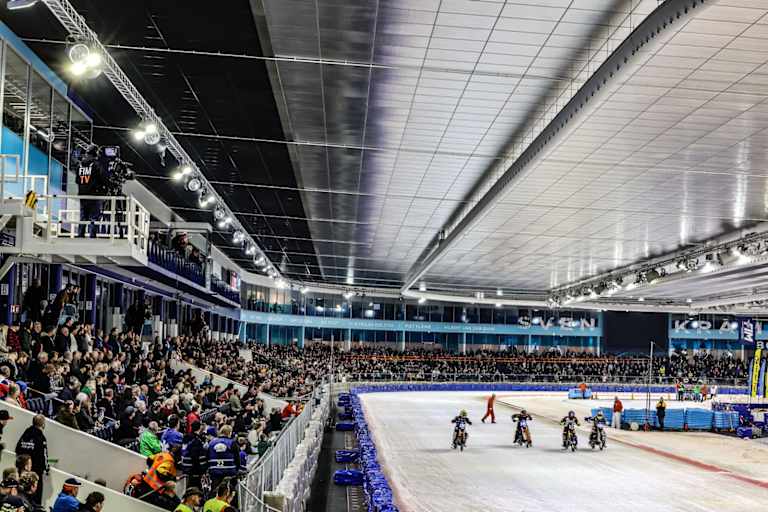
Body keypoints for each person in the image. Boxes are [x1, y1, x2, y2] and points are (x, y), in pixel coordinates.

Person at [15, 415, 47, 504]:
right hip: (35, 472)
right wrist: (46, 468)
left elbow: (17, 448)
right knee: (34, 498)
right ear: (43, 425)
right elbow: (44, 456)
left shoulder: (26, 433)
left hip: (21, 470)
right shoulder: (41, 438)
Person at [207, 424, 240, 491]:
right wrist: (236, 469)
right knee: (229, 490)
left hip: (215, 471)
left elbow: (208, 456)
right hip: (229, 471)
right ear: (229, 432)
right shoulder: (232, 443)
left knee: (216, 490)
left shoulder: (211, 443)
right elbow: (237, 458)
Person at [180, 421, 207, 489]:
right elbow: (195, 456)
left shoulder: (186, 437)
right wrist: (201, 470)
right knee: (194, 487)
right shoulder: (196, 440)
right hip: (193, 469)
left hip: (185, 466)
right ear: (199, 428)